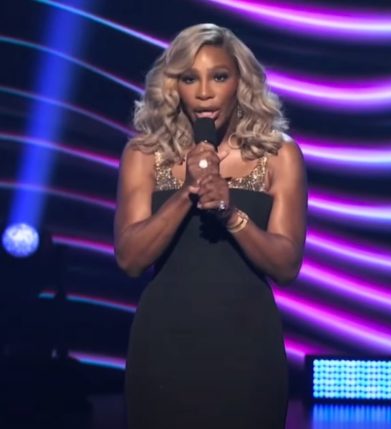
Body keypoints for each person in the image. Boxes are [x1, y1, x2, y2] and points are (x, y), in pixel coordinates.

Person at [113, 23, 306, 429]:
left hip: (247, 344)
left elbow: (286, 264)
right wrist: (188, 192)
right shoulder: (144, 154)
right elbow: (130, 259)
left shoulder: (278, 155)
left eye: (219, 76)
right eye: (189, 78)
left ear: (240, 82)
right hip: (164, 343)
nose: (204, 93)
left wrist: (230, 212)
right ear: (173, 86)